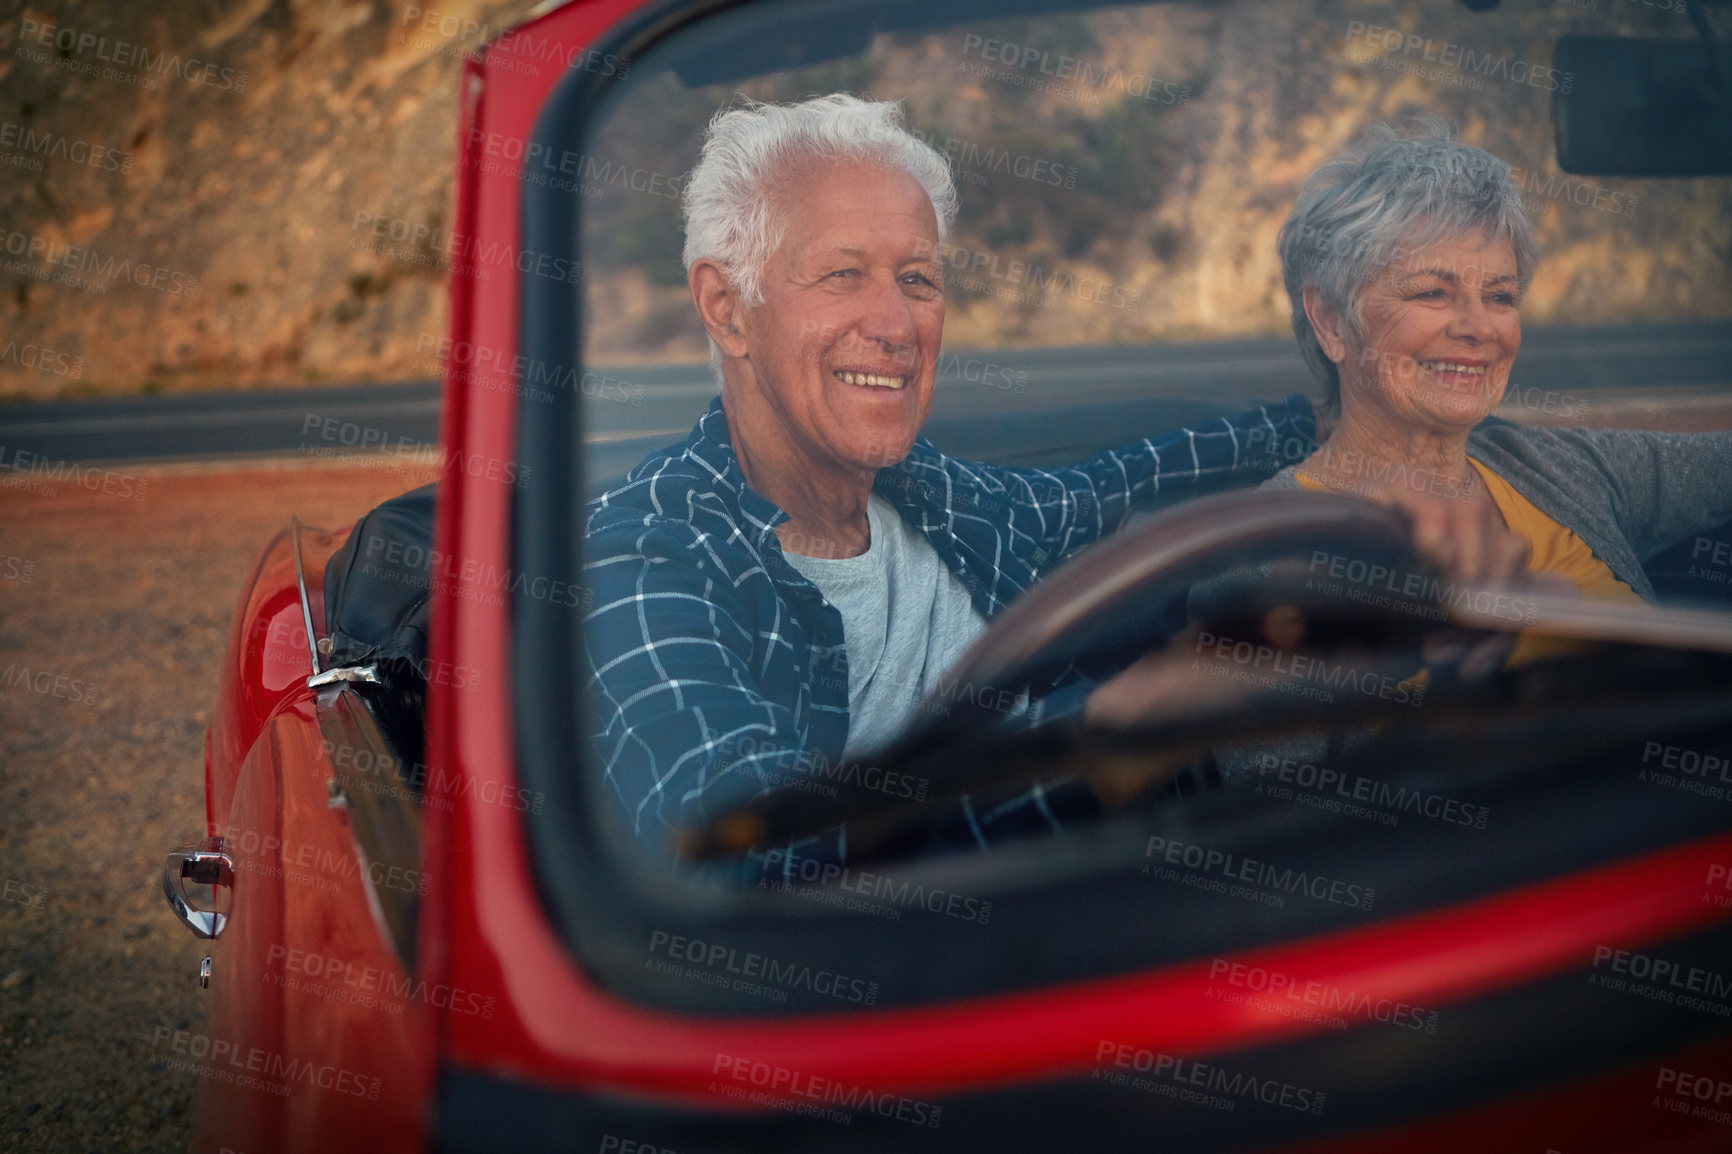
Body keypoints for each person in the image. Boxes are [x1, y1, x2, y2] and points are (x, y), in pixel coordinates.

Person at [581, 96, 1529, 872]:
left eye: (918, 278)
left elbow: (1114, 486)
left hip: (1122, 913)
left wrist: (1350, 430)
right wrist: (1131, 721)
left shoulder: (935, 501)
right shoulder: (641, 563)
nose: (896, 323)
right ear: (725, 306)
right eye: (841, 275)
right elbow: (759, 860)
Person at [1267, 119, 1732, 605]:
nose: (1480, 327)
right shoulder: (1265, 541)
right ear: (1331, 320)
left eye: (1501, 296)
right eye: (1432, 292)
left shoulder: (1561, 468)